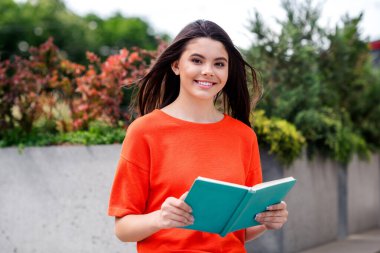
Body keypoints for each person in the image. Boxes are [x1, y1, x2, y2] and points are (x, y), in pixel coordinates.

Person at [108, 19, 288, 252]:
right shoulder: (144, 131)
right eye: (196, 60)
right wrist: (160, 218)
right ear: (175, 65)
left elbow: (239, 231)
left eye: (219, 64)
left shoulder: (244, 136)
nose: (208, 71)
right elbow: (123, 228)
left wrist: (267, 220)